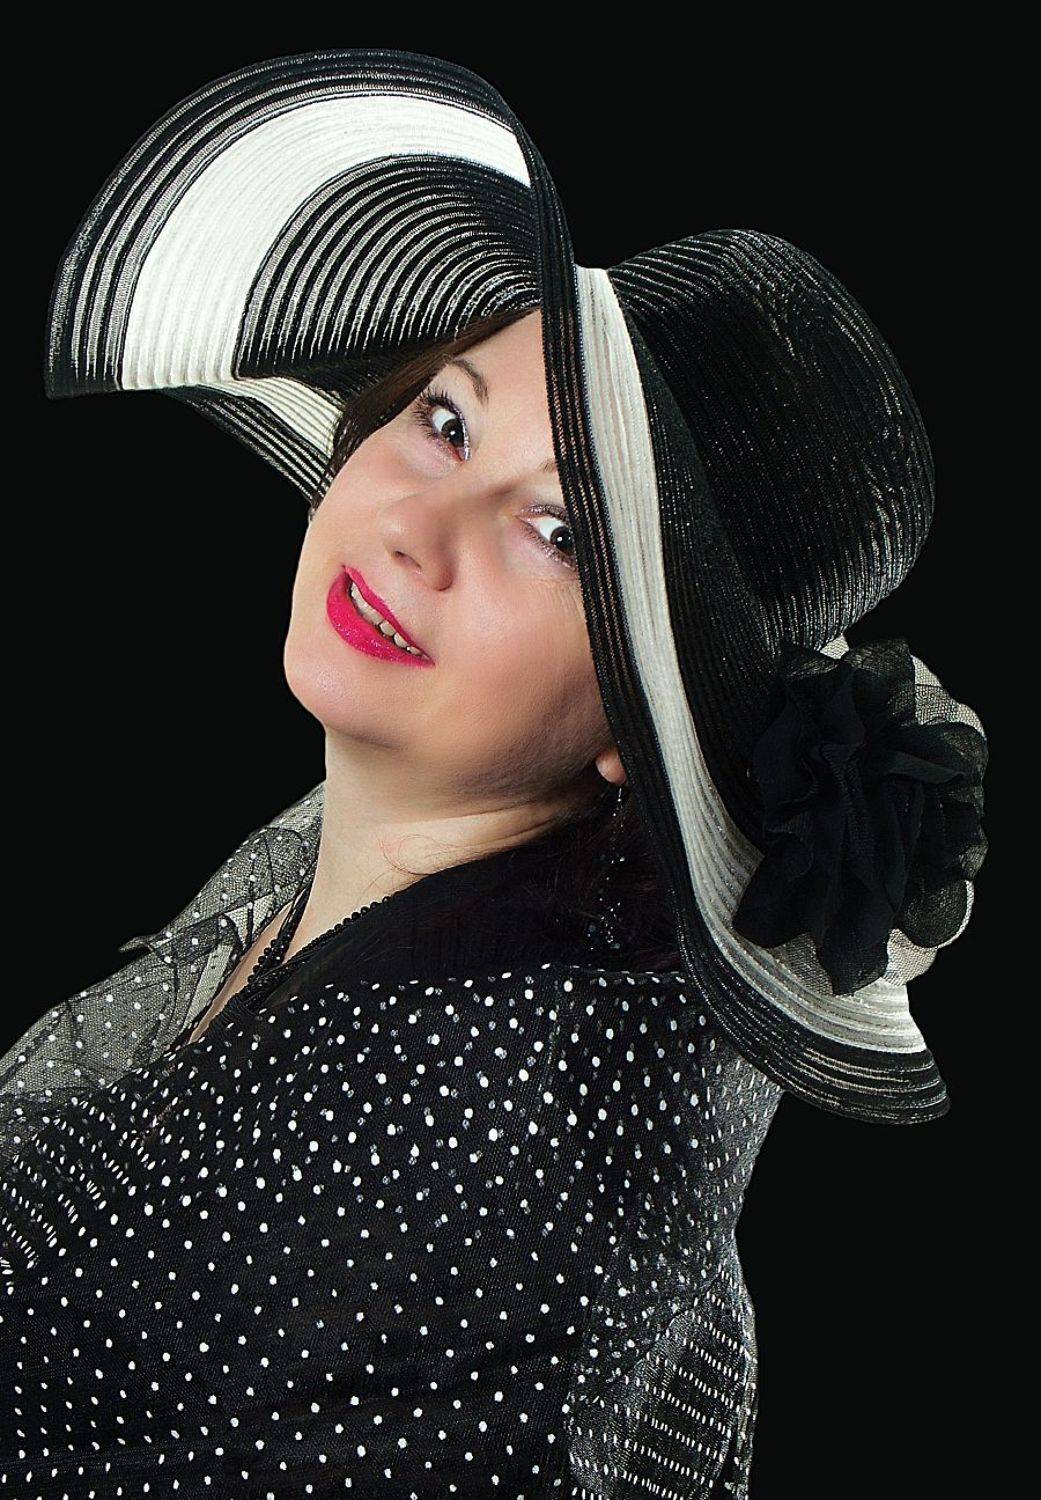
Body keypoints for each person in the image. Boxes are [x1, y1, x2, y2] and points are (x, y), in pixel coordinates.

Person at [1, 49, 987, 1499]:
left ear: (640, 721)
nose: (417, 527)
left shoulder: (487, 1160)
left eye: (561, 532)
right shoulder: (359, 870)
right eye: (446, 421)